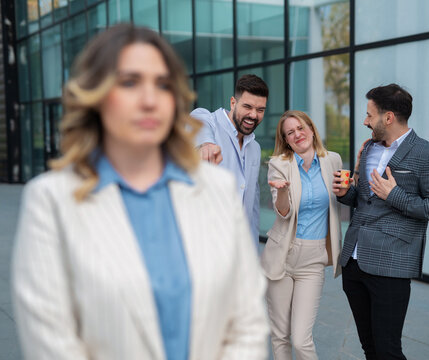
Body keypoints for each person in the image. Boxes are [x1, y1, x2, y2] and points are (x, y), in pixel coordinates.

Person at [11, 24, 268, 360]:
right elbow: (53, 343)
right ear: (97, 96)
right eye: (130, 82)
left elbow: (247, 321)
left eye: (162, 84)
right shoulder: (50, 202)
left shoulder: (216, 189)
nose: (149, 99)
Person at [333, 84, 429, 360]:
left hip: (391, 266)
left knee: (388, 350)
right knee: (370, 348)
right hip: (353, 261)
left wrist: (395, 195)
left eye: (369, 115)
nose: (365, 121)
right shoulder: (369, 149)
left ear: (388, 117)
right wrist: (346, 193)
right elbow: (365, 199)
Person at [261, 110, 343, 360]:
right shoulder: (279, 164)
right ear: (285, 140)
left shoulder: (333, 161)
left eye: (300, 128)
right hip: (282, 257)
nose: (297, 135)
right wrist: (282, 191)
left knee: (301, 338)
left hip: (313, 260)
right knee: (280, 335)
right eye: (290, 133)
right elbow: (283, 212)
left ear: (311, 129)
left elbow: (344, 192)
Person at [190, 74, 268, 246]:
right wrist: (206, 143)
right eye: (247, 106)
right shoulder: (210, 123)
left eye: (260, 110)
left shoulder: (255, 148)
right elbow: (197, 117)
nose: (253, 115)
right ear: (233, 103)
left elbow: (252, 205)